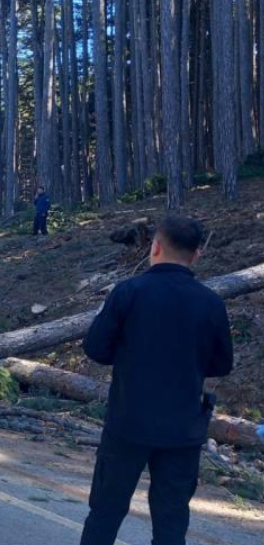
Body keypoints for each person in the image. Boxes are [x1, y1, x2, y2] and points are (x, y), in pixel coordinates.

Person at [79, 215, 233, 545]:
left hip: (128, 424)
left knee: (105, 513)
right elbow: (222, 364)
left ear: (156, 246)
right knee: (171, 522)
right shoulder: (211, 303)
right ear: (196, 256)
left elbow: (96, 349)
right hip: (183, 430)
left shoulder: (129, 292)